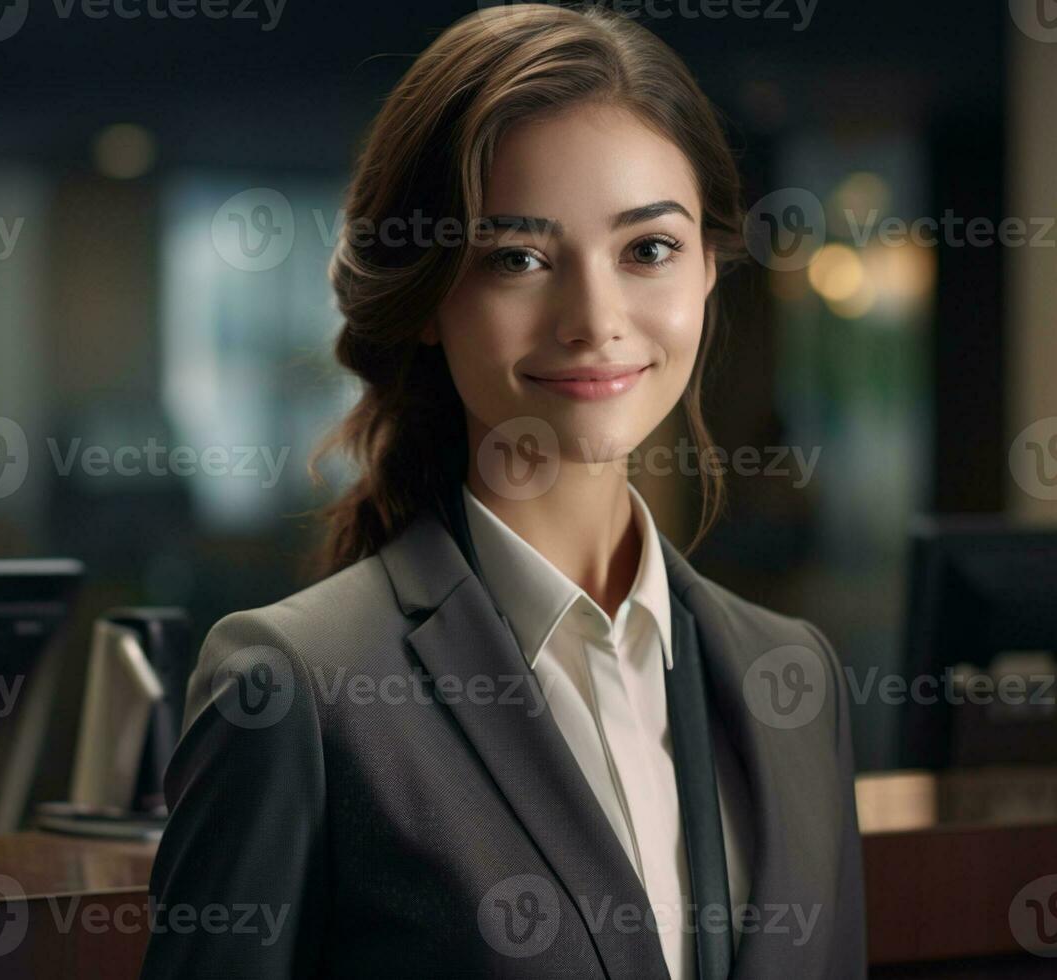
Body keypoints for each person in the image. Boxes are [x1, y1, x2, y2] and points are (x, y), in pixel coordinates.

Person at [142, 6, 865, 979]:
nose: (595, 319)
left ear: (707, 268)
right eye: (517, 258)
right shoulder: (293, 686)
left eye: (647, 248)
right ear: (429, 297)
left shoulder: (796, 679)